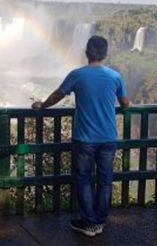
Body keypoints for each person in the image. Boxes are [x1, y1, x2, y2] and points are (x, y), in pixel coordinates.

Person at [31, 35, 130, 237]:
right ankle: (99, 221)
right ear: (105, 54)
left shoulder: (77, 75)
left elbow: (58, 94)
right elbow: (125, 102)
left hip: (85, 138)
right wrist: (126, 104)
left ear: (87, 53)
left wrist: (42, 105)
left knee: (83, 179)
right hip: (108, 138)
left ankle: (89, 222)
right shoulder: (115, 76)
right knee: (105, 180)